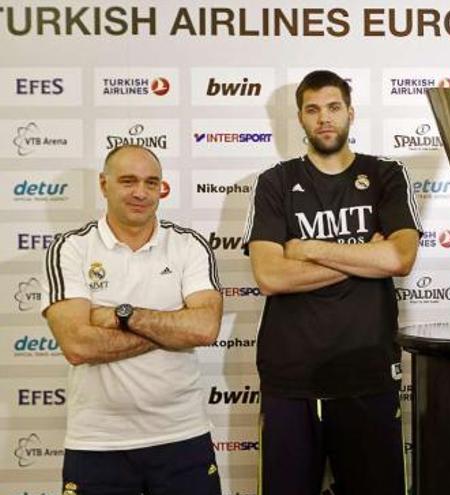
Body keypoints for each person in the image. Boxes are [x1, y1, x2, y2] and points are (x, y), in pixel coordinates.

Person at [243, 69, 421, 495]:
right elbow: (269, 275)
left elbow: (400, 257)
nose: (325, 118)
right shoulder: (276, 182)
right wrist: (364, 254)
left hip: (368, 375)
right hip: (291, 380)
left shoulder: (385, 175)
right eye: (313, 109)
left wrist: (307, 248)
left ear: (350, 113)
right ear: (301, 119)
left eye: (334, 107)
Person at [42, 144, 224, 495]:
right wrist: (173, 327)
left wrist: (121, 316)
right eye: (128, 181)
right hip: (98, 443)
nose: (141, 192)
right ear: (104, 184)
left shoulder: (189, 245)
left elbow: (205, 328)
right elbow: (78, 346)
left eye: (151, 183)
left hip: (183, 435)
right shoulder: (71, 248)